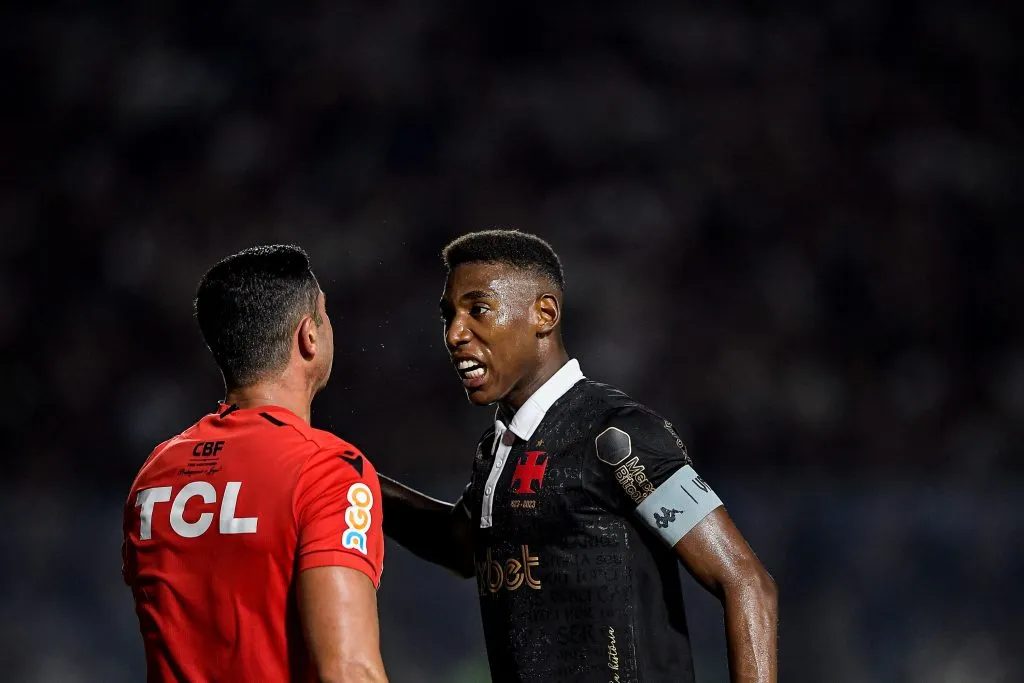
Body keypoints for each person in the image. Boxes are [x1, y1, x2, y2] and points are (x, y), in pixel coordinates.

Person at [381, 230, 777, 682]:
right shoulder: (498, 449)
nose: (455, 333)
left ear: (544, 314)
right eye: (448, 315)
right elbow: (458, 547)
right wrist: (352, 479)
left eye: (478, 310)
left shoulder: (616, 436)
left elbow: (747, 583)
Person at [121, 245, 388, 683]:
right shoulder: (328, 469)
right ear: (310, 336)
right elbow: (348, 670)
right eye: (325, 313)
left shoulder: (156, 472)